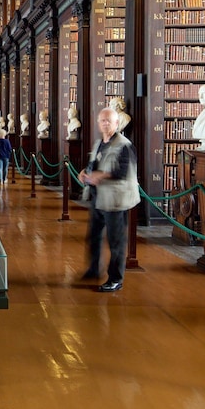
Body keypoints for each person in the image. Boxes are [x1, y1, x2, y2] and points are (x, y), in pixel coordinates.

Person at [77, 107, 141, 293]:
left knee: (116, 241)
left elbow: (124, 172)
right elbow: (93, 164)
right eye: (102, 120)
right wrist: (85, 172)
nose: (105, 123)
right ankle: (93, 269)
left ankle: (115, 279)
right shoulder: (99, 143)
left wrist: (101, 175)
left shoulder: (124, 145)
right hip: (98, 198)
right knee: (94, 236)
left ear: (116, 124)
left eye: (108, 121)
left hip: (115, 200)